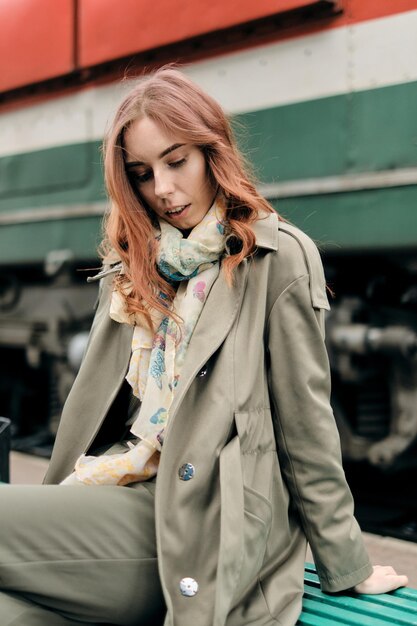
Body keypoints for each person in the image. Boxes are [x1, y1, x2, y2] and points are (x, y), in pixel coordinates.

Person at [0, 67, 408, 626]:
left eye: (177, 161)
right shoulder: (134, 263)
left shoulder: (276, 257)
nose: (162, 189)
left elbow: (305, 425)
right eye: (142, 174)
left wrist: (347, 564)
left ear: (211, 150)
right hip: (123, 491)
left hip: (204, 528)